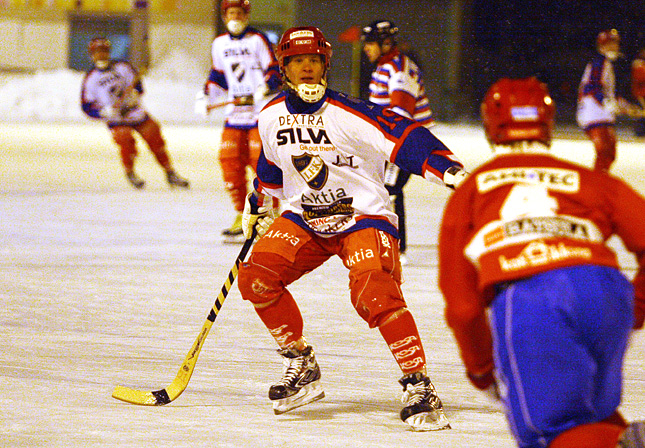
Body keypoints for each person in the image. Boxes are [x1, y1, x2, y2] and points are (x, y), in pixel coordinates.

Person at [236, 26, 468, 431]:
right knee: (255, 278)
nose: (306, 69)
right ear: (284, 68)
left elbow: (405, 135)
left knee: (373, 290)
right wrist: (258, 204)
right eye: (297, 62)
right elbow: (271, 169)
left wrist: (444, 168)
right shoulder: (270, 116)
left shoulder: (350, 113)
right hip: (305, 217)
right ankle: (300, 362)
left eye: (313, 61)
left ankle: (419, 384)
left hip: (362, 216)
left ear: (325, 65)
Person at [438, 77, 645, 447]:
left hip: (531, 294)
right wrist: (635, 307)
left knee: (550, 429)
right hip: (605, 289)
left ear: (490, 125)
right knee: (590, 414)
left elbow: (464, 307)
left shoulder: (471, 192)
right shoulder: (589, 181)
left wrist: (482, 369)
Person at [200, 0, 281, 241]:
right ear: (224, 16)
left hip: (259, 113)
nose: (234, 17)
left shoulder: (258, 39)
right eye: (230, 13)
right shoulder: (219, 43)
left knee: (262, 164)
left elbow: (275, 70)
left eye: (239, 13)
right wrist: (206, 95)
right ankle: (240, 214)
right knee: (230, 162)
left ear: (246, 15)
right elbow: (219, 75)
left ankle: (270, 216)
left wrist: (265, 88)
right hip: (234, 115)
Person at [361, 20, 434, 263]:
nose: (366, 49)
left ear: (386, 43)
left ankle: (395, 247)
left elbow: (401, 114)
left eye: (370, 43)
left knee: (390, 190)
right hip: (393, 140)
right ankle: (388, 242)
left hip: (405, 140)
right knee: (382, 189)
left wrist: (386, 147)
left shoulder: (399, 69)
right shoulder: (384, 66)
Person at [81, 37, 189, 189]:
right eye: (97, 52)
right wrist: (102, 112)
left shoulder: (123, 67)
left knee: (155, 139)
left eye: (104, 51)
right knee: (126, 142)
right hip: (116, 119)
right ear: (91, 54)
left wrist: (135, 95)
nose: (101, 55)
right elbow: (86, 106)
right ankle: (130, 172)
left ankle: (170, 172)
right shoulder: (90, 79)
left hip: (136, 113)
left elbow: (137, 85)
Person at [576, 29, 629, 172]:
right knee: (605, 151)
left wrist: (621, 104)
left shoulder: (605, 63)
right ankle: (599, 183)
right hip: (594, 113)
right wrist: (606, 103)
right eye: (612, 43)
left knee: (609, 152)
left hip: (600, 114)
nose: (616, 46)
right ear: (603, 45)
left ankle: (601, 180)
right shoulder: (599, 62)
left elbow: (604, 90)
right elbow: (591, 87)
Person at [630, 49, 645, 137]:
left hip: (641, 93)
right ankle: (639, 132)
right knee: (641, 114)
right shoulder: (638, 65)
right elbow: (638, 81)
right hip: (641, 94)